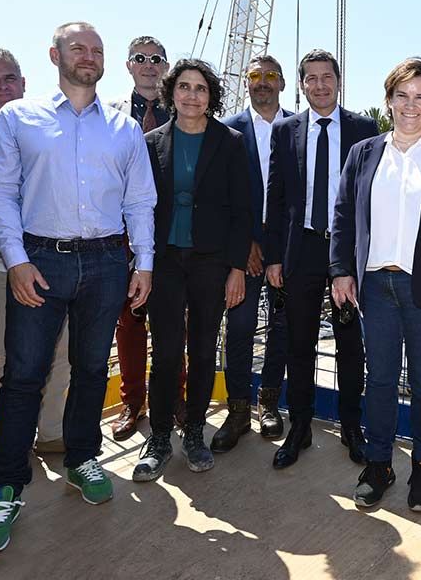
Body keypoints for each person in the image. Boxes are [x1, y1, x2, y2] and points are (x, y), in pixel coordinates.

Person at [0, 22, 157, 554]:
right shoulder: (18, 118)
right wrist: (17, 260)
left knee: (92, 367)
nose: (89, 56)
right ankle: (5, 486)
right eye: (78, 47)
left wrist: (142, 264)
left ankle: (82, 458)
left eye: (97, 50)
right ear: (55, 55)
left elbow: (139, 201)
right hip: (41, 260)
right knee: (23, 374)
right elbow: (0, 191)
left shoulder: (123, 129)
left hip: (105, 261)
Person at [330, 57, 421, 512]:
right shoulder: (364, 153)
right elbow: (342, 216)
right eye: (402, 95)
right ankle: (379, 464)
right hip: (374, 286)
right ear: (389, 100)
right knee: (378, 381)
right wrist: (340, 270)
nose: (410, 105)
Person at [132, 59, 250, 481]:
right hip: (164, 262)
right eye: (184, 86)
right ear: (171, 92)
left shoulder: (231, 143)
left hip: (211, 262)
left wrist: (237, 268)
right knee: (164, 354)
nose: (191, 95)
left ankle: (195, 432)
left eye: (200, 88)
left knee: (202, 350)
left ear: (211, 96)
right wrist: (139, 262)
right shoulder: (150, 143)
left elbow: (243, 211)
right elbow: (140, 207)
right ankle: (160, 436)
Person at [0, 47, 72, 507]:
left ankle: (51, 434)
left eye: (10, 78)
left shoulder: (41, 128)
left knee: (59, 352)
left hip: (47, 264)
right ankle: (17, 438)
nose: (2, 86)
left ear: (25, 84)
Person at [264, 49, 377, 469]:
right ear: (301, 85)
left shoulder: (364, 130)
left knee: (350, 345)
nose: (319, 85)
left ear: (338, 79)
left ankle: (351, 426)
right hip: (301, 251)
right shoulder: (285, 131)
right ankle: (300, 428)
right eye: (310, 78)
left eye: (326, 76)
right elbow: (274, 199)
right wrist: (273, 257)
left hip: (345, 251)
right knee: (299, 343)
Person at [107, 35, 184, 441]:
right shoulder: (108, 114)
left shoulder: (186, 111)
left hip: (169, 237)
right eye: (141, 58)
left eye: (157, 59)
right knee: (129, 326)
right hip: (120, 236)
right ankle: (132, 402)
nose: (150, 65)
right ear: (129, 65)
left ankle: (176, 400)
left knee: (173, 324)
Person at [219, 55, 293, 449]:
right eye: (254, 76)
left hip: (283, 248)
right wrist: (244, 243)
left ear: (282, 83)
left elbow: (298, 195)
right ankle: (237, 410)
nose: (262, 82)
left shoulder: (296, 127)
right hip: (242, 248)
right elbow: (223, 198)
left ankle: (268, 404)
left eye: (270, 76)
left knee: (281, 331)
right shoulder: (228, 130)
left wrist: (276, 249)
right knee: (241, 330)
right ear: (245, 82)